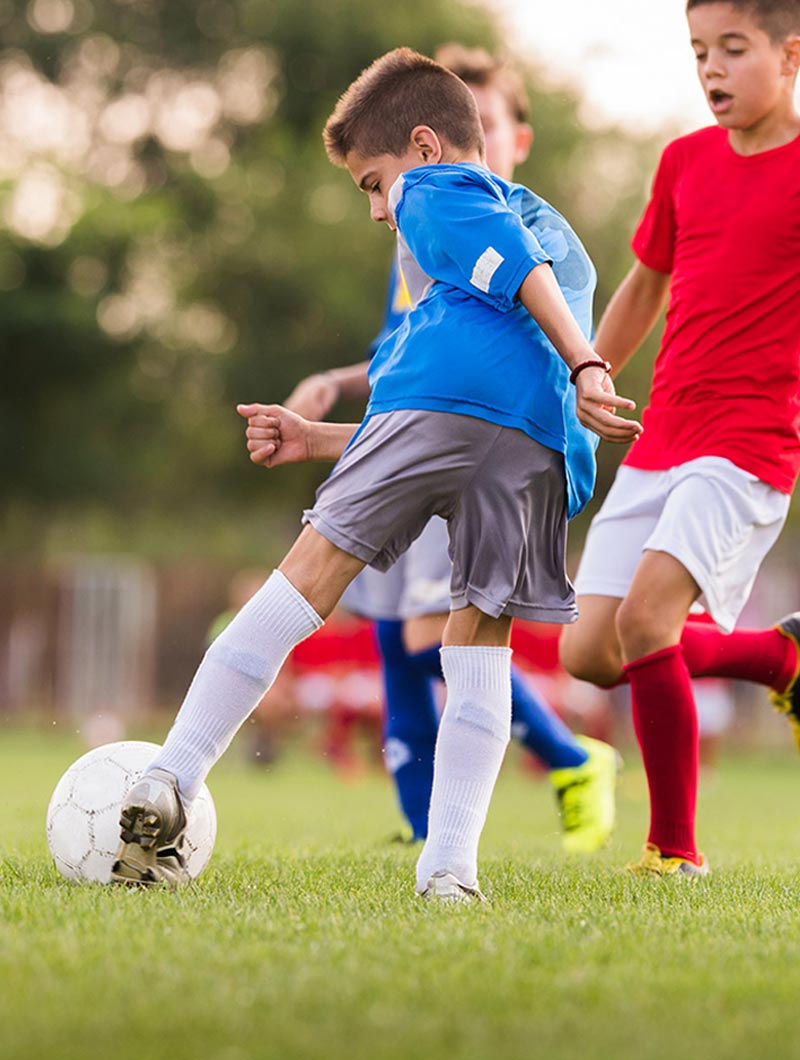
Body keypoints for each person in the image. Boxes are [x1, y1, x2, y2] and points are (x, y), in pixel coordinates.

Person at [111, 46, 640, 898]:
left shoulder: (442, 188)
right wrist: (319, 437)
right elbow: (485, 381)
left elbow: (483, 319)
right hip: (537, 444)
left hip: (464, 401)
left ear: (424, 147)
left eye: (371, 183)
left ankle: (170, 777)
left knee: (306, 581)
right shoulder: (557, 230)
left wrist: (588, 363)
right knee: (478, 648)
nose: (376, 210)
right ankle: (449, 872)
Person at [283, 43, 621, 853]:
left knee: (435, 633)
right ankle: (422, 823)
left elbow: (519, 331)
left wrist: (586, 366)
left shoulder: (519, 228)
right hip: (421, 422)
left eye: (489, 120)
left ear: (508, 138)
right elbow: (412, 350)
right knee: (393, 625)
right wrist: (336, 384)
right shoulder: (420, 233)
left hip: (481, 440)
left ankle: (567, 761)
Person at [559, 0, 800, 877]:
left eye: (734, 50)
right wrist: (589, 373)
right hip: (664, 434)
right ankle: (779, 655)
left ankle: (675, 853)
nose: (712, 70)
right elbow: (643, 286)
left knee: (651, 617)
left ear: (790, 55)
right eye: (700, 52)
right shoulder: (683, 161)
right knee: (588, 651)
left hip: (748, 445)